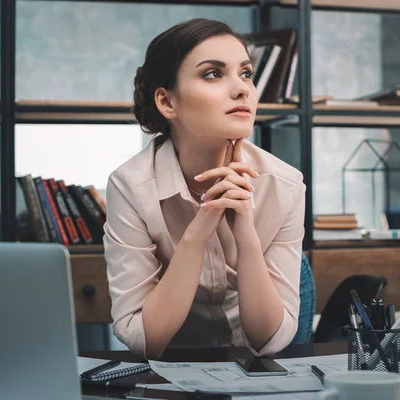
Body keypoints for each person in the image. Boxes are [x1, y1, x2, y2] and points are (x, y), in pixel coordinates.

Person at [103, 18, 306, 360]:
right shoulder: (130, 187)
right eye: (213, 73)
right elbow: (142, 339)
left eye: (245, 73)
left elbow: (268, 341)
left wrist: (247, 239)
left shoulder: (283, 185)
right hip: (177, 369)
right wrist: (199, 231)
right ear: (167, 103)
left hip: (253, 368)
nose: (242, 89)